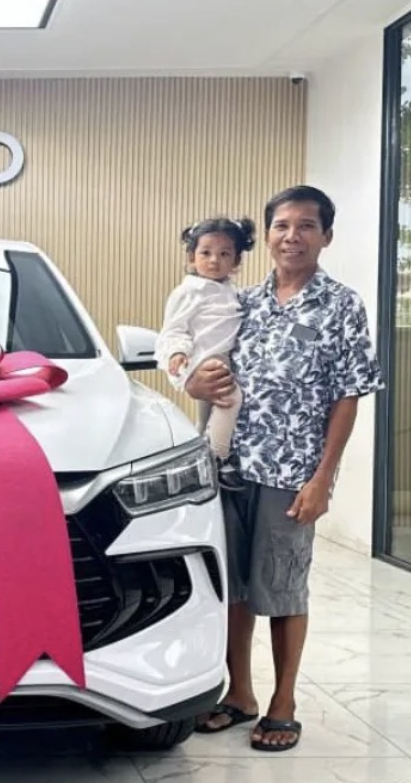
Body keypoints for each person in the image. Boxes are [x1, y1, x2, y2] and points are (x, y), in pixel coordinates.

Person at [187, 185, 381, 752]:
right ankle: (240, 695)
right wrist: (193, 381)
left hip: (291, 475)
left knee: (283, 589)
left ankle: (283, 703)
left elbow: (348, 395)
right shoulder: (239, 302)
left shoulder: (341, 306)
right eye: (281, 226)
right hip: (229, 469)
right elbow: (201, 367)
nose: (292, 236)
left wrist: (323, 479)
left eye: (306, 226)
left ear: (326, 236)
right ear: (268, 235)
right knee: (234, 588)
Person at [155, 216, 257, 488]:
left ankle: (199, 452)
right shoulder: (189, 291)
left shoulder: (230, 292)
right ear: (192, 257)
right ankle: (218, 457)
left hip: (222, 357)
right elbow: (174, 328)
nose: (214, 260)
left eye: (224, 254)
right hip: (203, 359)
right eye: (206, 253)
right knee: (230, 398)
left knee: (207, 415)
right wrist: (177, 352)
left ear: (236, 261)